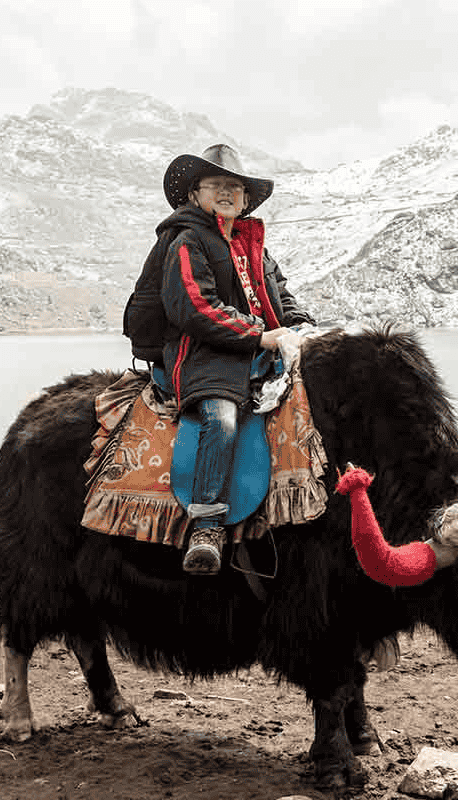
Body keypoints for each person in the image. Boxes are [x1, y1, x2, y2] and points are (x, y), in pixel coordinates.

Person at [154, 144, 314, 575]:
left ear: (245, 199)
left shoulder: (254, 244)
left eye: (235, 186)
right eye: (217, 184)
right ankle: (206, 524)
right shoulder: (186, 241)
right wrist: (260, 335)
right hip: (206, 355)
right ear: (195, 194)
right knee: (222, 418)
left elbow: (280, 293)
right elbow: (194, 307)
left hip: (263, 351)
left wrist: (300, 328)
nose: (227, 192)